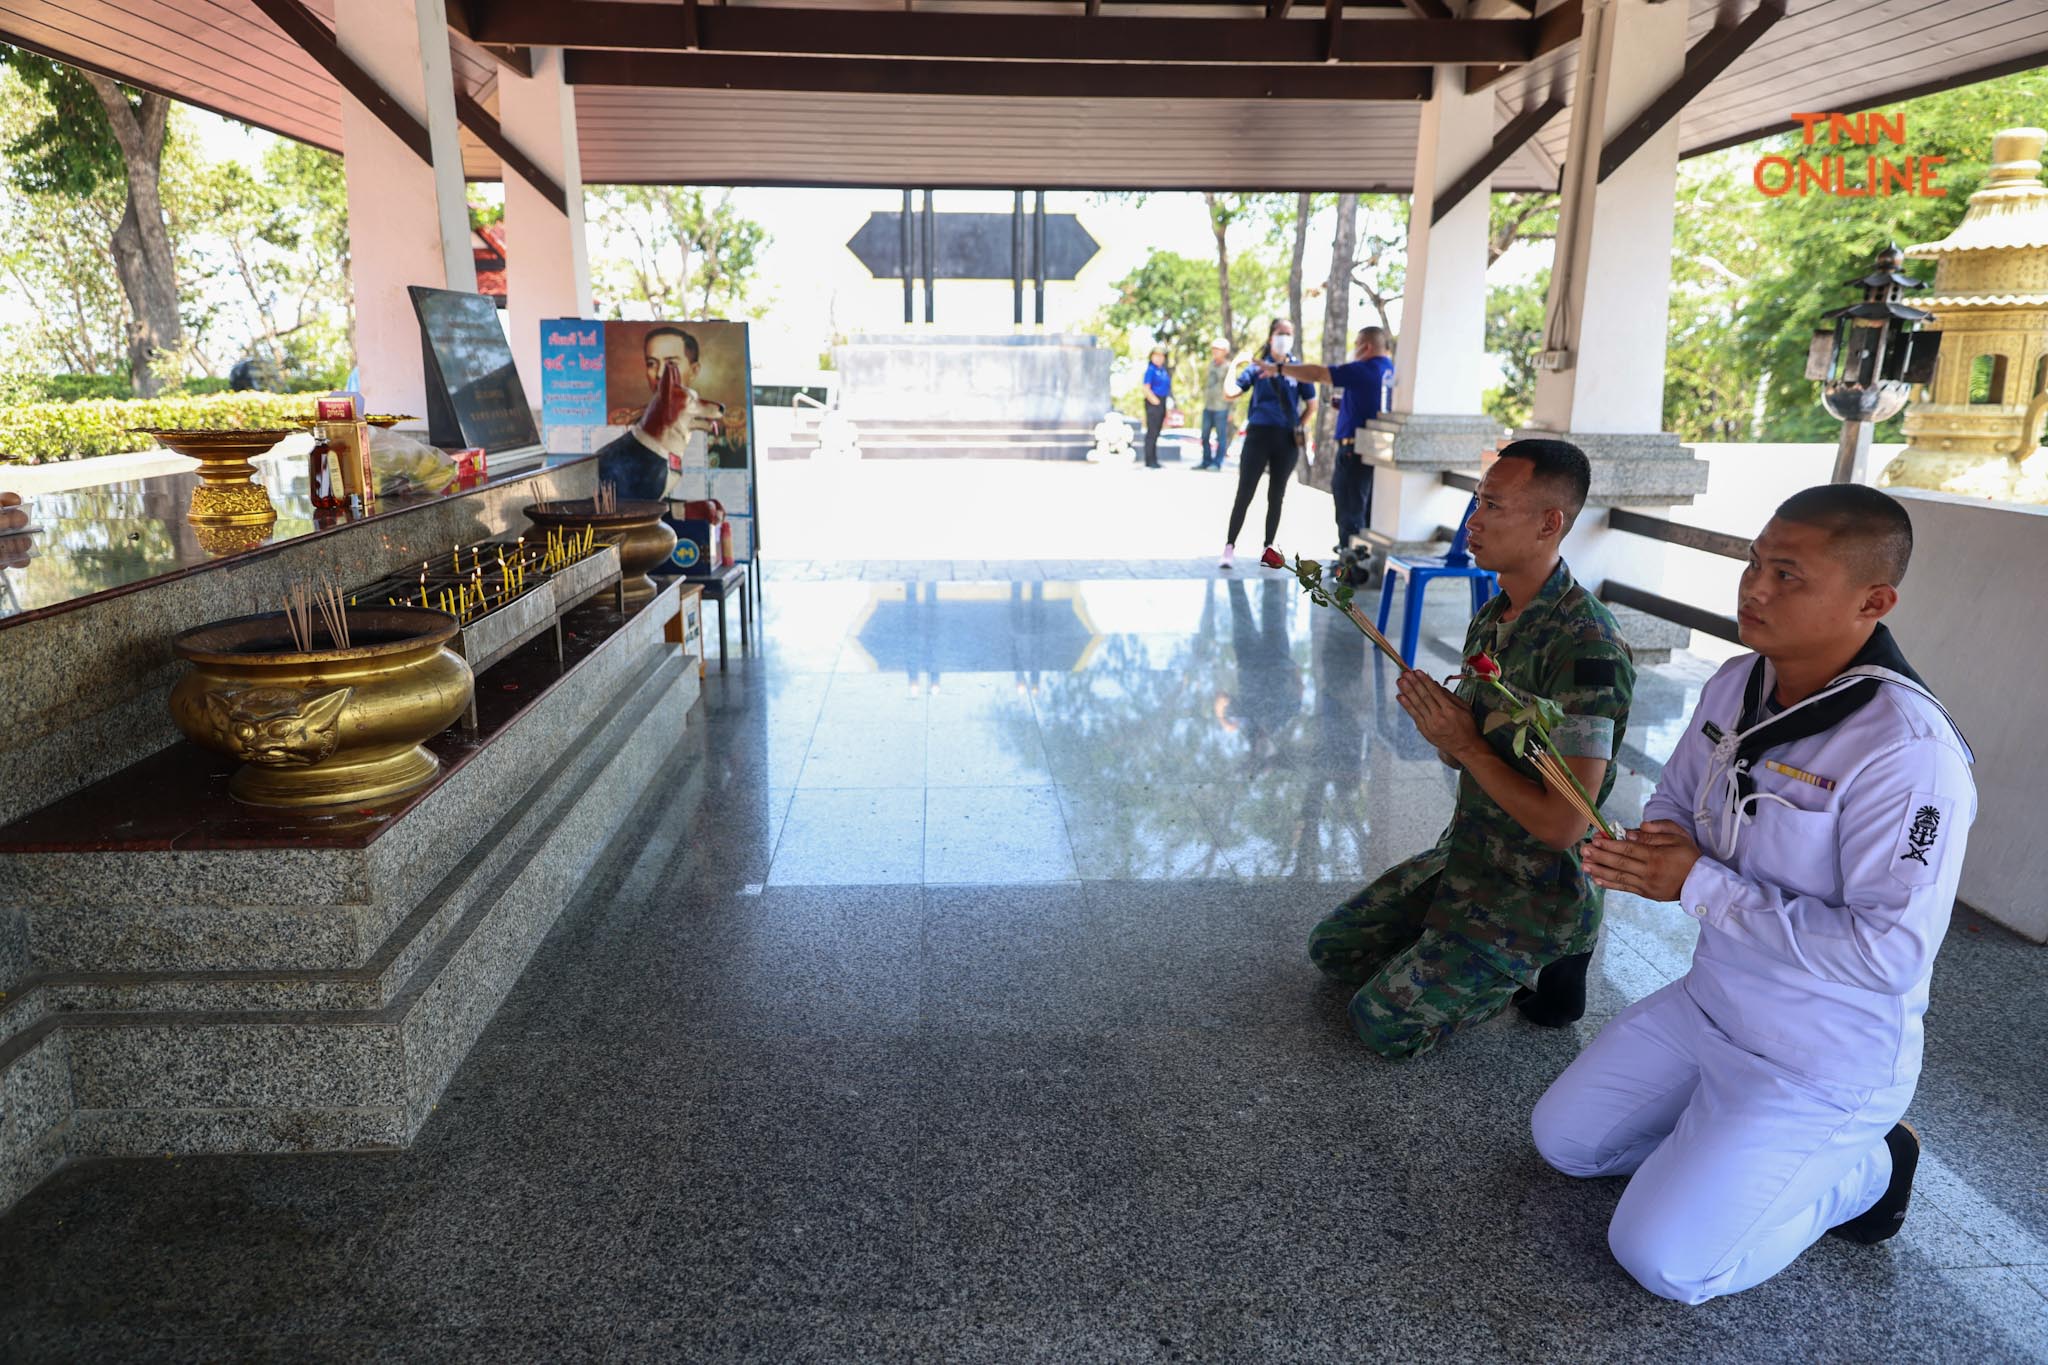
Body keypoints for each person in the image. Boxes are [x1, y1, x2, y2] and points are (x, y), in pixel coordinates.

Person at [1532, 485, 1975, 1306]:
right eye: (1753, 562)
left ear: (1873, 601)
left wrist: (1697, 882)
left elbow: (1890, 953)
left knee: (1662, 1257)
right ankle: (1721, 1152)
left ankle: (1871, 1169)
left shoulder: (1907, 752)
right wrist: (1649, 850)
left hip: (1819, 1058)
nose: (1754, 588)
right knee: (1563, 1142)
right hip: (1713, 1005)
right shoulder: (1738, 681)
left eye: (1787, 574)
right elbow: (1676, 798)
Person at [1306, 439, 1634, 1058]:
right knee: (1334, 949)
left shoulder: (1586, 647)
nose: (1472, 522)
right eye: (1476, 503)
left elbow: (1565, 824)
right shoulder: (1495, 616)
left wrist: (1467, 745)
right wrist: (1448, 733)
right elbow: (1462, 758)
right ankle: (1459, 951)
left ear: (1548, 523)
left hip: (1537, 882)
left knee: (1382, 1025)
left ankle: (1560, 944)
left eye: (1492, 506)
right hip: (1473, 853)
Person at [1260, 326, 1394, 566]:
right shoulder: (1388, 372)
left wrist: (1278, 368)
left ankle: (1350, 562)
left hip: (1354, 451)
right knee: (1362, 507)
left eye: (1356, 343)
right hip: (1372, 451)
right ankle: (1355, 559)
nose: (1354, 348)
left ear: (1367, 346)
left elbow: (1319, 374)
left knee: (1349, 507)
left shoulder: (1365, 368)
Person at [1218, 319, 1316, 571]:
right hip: (1258, 435)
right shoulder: (1258, 367)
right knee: (1245, 492)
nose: (1284, 337)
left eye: (1288, 334)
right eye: (1280, 333)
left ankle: (1268, 547)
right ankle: (1229, 546)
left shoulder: (1297, 368)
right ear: (1271, 336)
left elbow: (1311, 405)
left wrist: (1298, 426)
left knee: (1277, 495)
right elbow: (1230, 393)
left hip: (1285, 439)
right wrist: (1236, 364)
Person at [1197, 338, 1235, 471]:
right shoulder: (1210, 365)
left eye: (1217, 349)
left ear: (1225, 351)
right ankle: (1206, 461)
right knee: (1205, 435)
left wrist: (1231, 411)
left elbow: (1232, 389)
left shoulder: (1228, 367)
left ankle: (1217, 463)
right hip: (1208, 406)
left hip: (1222, 407)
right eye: (1213, 349)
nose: (1214, 351)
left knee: (1221, 437)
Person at [1140, 347, 1171, 469]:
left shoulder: (1163, 370)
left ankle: (1154, 460)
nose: (1159, 358)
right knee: (1151, 432)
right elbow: (1146, 388)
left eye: (1161, 356)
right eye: (1156, 355)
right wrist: (1156, 402)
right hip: (1154, 401)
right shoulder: (1151, 370)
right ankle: (1149, 460)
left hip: (1162, 401)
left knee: (1157, 432)